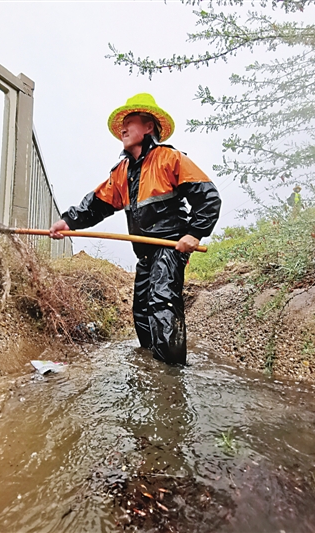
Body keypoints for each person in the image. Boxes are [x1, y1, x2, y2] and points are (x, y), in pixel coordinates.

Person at [50, 93, 221, 365]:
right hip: (145, 255)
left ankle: (171, 375)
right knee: (141, 311)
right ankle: (150, 365)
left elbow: (208, 197)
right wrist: (68, 222)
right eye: (122, 124)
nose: (123, 129)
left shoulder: (169, 158)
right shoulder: (122, 172)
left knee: (162, 302)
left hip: (170, 247)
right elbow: (96, 205)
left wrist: (194, 233)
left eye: (130, 122)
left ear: (149, 127)